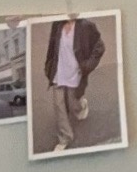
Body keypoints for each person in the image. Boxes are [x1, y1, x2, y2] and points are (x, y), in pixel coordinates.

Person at [44, 15, 104, 154]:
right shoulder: (57, 24)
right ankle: (65, 138)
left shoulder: (85, 25)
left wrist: (88, 65)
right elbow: (51, 48)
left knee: (73, 103)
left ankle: (81, 105)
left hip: (75, 72)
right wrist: (48, 67)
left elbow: (99, 47)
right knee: (58, 105)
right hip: (59, 72)